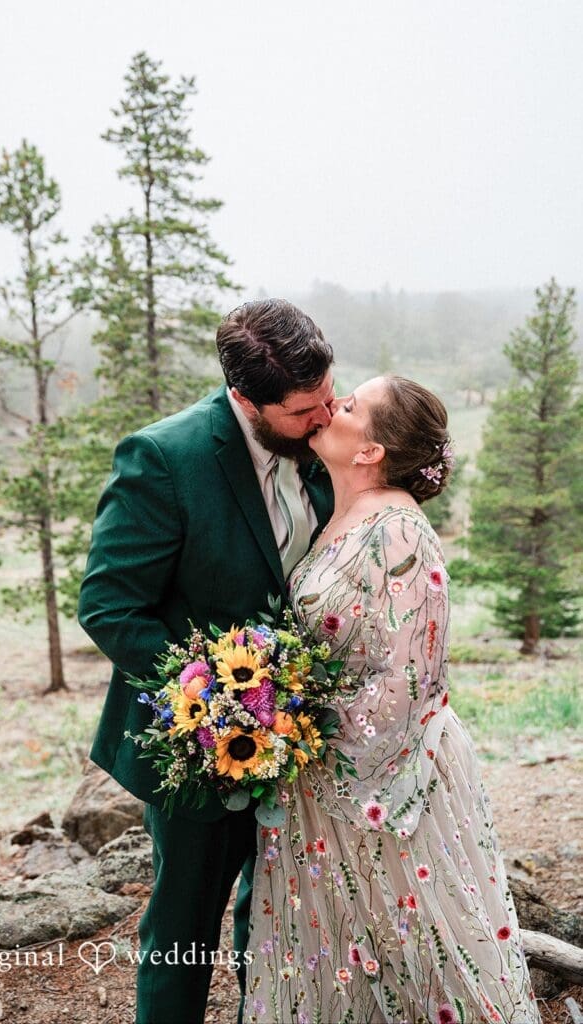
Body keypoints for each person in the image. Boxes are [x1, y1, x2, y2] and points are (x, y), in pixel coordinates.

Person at [243, 376, 540, 1024]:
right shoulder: (339, 511)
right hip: (316, 779)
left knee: (418, 952)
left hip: (390, 783)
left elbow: (411, 676)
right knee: (340, 955)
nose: (332, 408)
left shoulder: (400, 530)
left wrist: (305, 732)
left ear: (371, 450)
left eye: (349, 406)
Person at [78, 298, 336, 1024]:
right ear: (246, 400)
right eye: (303, 412)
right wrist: (214, 699)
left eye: (329, 399)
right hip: (193, 747)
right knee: (183, 929)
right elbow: (107, 606)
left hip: (302, 745)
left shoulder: (324, 435)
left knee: (280, 921)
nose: (324, 421)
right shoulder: (164, 459)